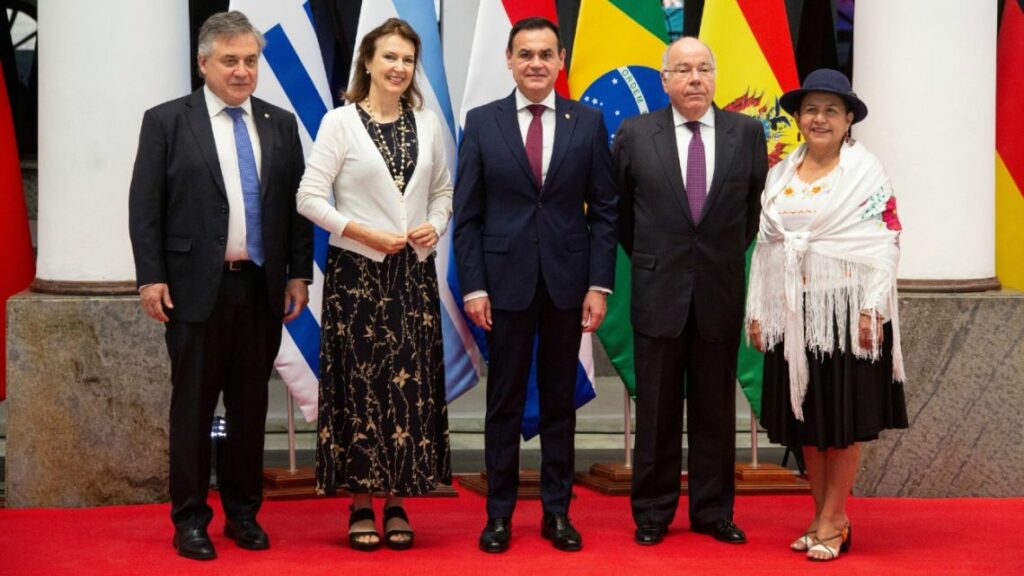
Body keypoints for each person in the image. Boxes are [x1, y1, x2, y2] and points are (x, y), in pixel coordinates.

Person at [128, 11, 313, 561]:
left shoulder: (279, 123)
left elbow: (295, 209)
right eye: (229, 61)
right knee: (193, 408)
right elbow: (145, 208)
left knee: (250, 407)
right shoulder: (167, 121)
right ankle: (190, 519)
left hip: (259, 288)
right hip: (192, 290)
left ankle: (243, 514)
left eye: (250, 60)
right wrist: (150, 277)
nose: (241, 71)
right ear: (203, 62)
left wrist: (298, 273)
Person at [453, 17, 617, 554]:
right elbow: (468, 216)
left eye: (546, 53)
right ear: (508, 59)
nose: (536, 63)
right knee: (502, 404)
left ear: (561, 59)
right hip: (503, 287)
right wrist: (474, 287)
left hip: (568, 285)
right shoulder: (481, 122)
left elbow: (605, 211)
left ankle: (557, 512)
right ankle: (498, 514)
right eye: (525, 54)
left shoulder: (586, 122)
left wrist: (599, 284)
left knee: (558, 404)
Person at [295, 18, 452, 552]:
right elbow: (308, 197)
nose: (399, 68)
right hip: (356, 276)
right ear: (367, 62)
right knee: (361, 386)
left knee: (407, 386)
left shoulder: (428, 122)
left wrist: (437, 222)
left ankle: (398, 499)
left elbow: (443, 191)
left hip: (412, 272)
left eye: (407, 60)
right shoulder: (340, 123)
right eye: (389, 57)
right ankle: (361, 500)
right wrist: (359, 231)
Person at [746, 68, 908, 562]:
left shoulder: (865, 172)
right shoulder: (779, 174)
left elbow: (885, 240)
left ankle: (835, 518)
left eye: (831, 111)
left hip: (844, 314)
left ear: (848, 120)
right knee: (807, 424)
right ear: (797, 118)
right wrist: (757, 310)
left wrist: (871, 308)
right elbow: (766, 245)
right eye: (811, 110)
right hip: (791, 317)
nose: (819, 119)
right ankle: (821, 517)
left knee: (841, 421)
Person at [613, 37, 767, 547]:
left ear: (716, 75)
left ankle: (712, 510)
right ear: (665, 80)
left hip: (720, 291)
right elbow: (623, 218)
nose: (695, 78)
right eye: (683, 70)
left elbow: (750, 214)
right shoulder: (635, 134)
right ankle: (653, 513)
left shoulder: (746, 133)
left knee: (715, 411)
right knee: (656, 410)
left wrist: (713, 259)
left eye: (704, 68)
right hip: (658, 291)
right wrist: (662, 261)